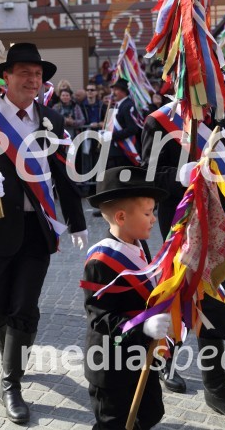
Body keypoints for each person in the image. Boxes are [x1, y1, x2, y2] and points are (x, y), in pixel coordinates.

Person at [0, 42, 88, 423]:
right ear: (6, 77)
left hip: (36, 229)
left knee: (24, 308)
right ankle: (12, 351)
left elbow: (62, 174)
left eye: (38, 74)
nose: (33, 80)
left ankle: (11, 381)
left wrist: (76, 221)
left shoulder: (52, 120)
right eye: (25, 73)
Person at [141, 96, 225, 422]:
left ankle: (210, 386)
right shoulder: (160, 121)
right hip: (184, 228)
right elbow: (146, 173)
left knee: (206, 299)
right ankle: (208, 384)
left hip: (222, 227)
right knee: (190, 298)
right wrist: (178, 176)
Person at [82, 166, 170, 430]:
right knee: (114, 422)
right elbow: (99, 316)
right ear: (121, 217)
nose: (154, 218)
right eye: (147, 213)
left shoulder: (138, 244)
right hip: (111, 364)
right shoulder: (100, 261)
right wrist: (141, 327)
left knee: (151, 411)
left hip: (140, 354)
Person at [101, 78, 142, 168]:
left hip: (125, 152)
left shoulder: (128, 105)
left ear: (124, 91)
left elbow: (132, 129)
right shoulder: (117, 105)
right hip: (116, 151)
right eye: (113, 89)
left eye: (116, 89)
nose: (113, 92)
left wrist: (112, 136)